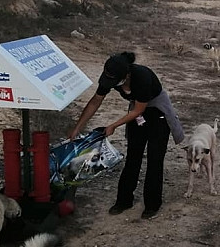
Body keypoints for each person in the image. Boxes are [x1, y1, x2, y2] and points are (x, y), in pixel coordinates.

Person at [69, 52, 184, 219]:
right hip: (138, 117)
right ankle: (124, 200)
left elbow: (139, 109)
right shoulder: (110, 75)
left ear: (127, 74)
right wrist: (77, 128)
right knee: (132, 157)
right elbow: (96, 100)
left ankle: (152, 205)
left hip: (157, 114)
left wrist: (113, 126)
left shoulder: (142, 77)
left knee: (155, 160)